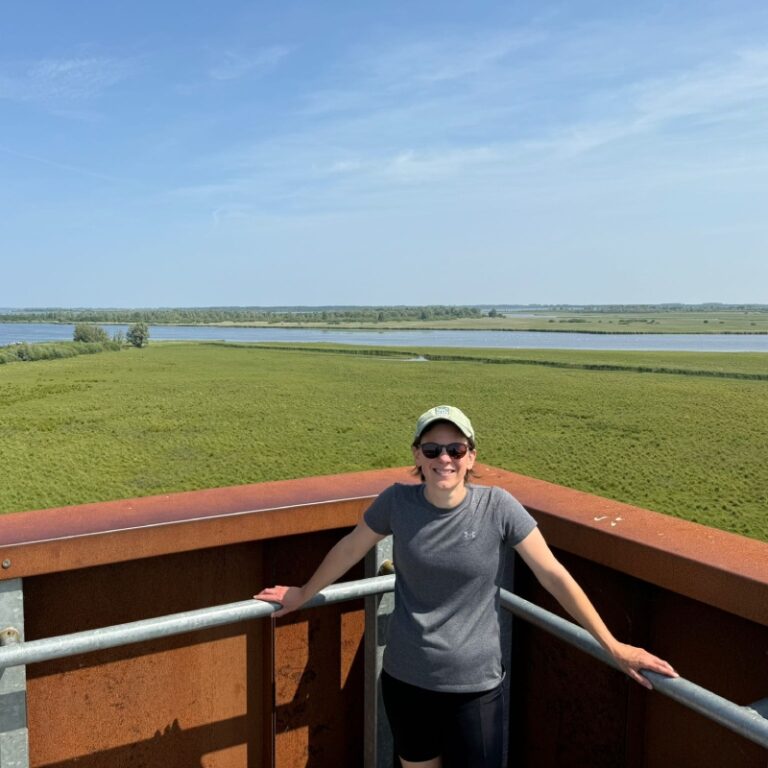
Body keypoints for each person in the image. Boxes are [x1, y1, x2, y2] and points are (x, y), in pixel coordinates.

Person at [255, 405, 677, 768]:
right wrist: (301, 594)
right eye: (432, 450)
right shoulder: (396, 502)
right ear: (417, 456)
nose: (444, 459)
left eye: (455, 450)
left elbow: (553, 575)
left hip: (475, 688)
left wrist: (613, 646)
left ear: (471, 457)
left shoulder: (498, 507)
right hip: (407, 680)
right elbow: (350, 548)